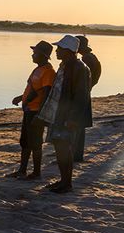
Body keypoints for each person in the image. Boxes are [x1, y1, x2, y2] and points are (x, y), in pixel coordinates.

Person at [38, 35, 92, 193]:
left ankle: (67, 183)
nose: (56, 51)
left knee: (65, 149)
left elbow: (81, 96)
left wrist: (73, 118)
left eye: (59, 48)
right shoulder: (65, 65)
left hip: (67, 117)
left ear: (68, 50)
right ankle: (63, 180)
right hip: (59, 114)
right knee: (59, 148)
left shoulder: (79, 68)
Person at [6, 41, 54, 179]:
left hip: (36, 112)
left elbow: (46, 94)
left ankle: (36, 172)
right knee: (25, 141)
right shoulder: (37, 69)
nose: (32, 55)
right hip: (29, 110)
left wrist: (40, 114)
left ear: (43, 55)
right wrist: (21, 98)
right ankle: (22, 170)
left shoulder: (48, 72)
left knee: (36, 143)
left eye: (35, 53)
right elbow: (34, 88)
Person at [74, 35, 101, 162]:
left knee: (77, 125)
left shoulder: (86, 59)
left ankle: (76, 154)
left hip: (83, 94)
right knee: (79, 125)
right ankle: (76, 153)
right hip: (86, 92)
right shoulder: (91, 57)